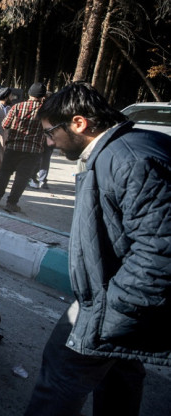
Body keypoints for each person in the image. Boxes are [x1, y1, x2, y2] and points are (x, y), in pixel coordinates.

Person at [25, 82, 171, 416]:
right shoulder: (122, 151)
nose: (48, 141)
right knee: (121, 373)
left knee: (61, 374)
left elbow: (161, 253)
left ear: (78, 123)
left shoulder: (130, 159)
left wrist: (111, 310)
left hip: (117, 304)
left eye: (51, 132)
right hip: (122, 301)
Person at [0, 82, 47, 212]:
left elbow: (5, 124)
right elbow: (49, 129)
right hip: (33, 149)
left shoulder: (17, 106)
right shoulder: (46, 111)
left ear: (29, 94)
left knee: (4, 173)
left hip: (13, 145)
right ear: (43, 96)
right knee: (22, 177)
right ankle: (11, 203)